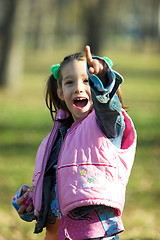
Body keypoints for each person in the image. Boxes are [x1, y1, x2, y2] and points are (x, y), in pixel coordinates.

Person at [12, 45, 137, 240]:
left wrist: (102, 80)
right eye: (70, 82)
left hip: (94, 234)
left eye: (87, 81)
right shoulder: (53, 140)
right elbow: (58, 186)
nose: (79, 87)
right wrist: (32, 201)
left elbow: (107, 105)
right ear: (60, 92)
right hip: (57, 234)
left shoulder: (107, 125)